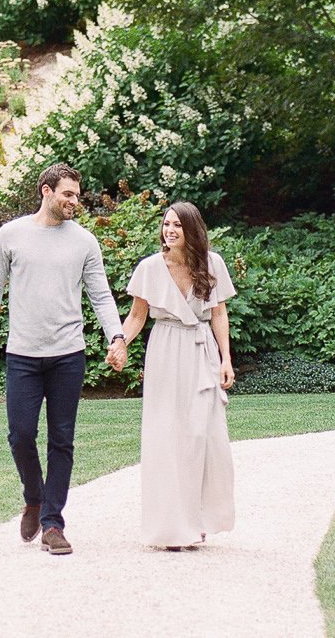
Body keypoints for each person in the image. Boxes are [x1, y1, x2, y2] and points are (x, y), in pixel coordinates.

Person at [0, 163, 127, 556]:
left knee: (62, 440)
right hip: (23, 355)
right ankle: (33, 496)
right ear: (46, 191)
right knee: (20, 435)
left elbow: (101, 295)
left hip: (67, 356)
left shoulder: (84, 242)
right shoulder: (11, 235)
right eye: (68, 194)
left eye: (77, 194)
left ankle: (53, 523)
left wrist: (118, 336)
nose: (75, 201)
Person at [120, 200, 237, 550]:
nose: (169, 230)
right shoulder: (150, 268)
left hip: (201, 352)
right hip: (166, 350)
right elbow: (138, 316)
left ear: (192, 230)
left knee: (202, 436)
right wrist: (120, 342)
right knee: (167, 436)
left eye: (177, 226)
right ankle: (170, 527)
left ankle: (197, 519)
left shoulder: (211, 263)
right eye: (166, 224)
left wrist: (225, 359)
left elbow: (218, 314)